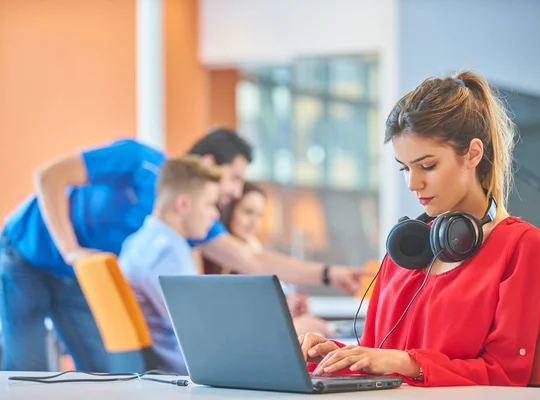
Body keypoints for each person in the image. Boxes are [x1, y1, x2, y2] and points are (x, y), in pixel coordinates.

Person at [0, 128, 362, 372]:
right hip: (27, 251)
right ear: (202, 177)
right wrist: (71, 250)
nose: (235, 193)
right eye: (234, 178)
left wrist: (329, 274)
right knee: (24, 365)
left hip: (80, 271)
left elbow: (249, 258)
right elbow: (48, 176)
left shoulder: (176, 227)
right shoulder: (141, 168)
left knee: (102, 371)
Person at [299, 71, 540, 387]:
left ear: (473, 153)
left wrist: (409, 363)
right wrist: (334, 356)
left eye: (428, 166)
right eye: (404, 168)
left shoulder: (520, 245)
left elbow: (504, 376)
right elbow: (380, 357)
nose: (412, 183)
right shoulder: (405, 247)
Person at [120, 156, 221, 374]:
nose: (216, 214)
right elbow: (201, 332)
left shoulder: (139, 241)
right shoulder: (165, 253)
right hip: (185, 372)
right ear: (183, 204)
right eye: (210, 204)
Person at [205, 182, 335, 337]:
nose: (254, 222)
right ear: (228, 211)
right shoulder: (216, 260)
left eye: (259, 215)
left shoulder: (258, 252)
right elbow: (238, 325)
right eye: (248, 212)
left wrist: (291, 310)